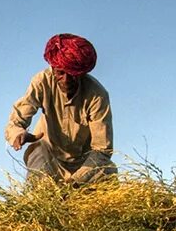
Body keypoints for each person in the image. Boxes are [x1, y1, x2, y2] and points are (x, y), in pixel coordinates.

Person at [6, 34, 116, 184]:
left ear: (81, 73)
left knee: (106, 169)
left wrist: (75, 182)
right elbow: (17, 120)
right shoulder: (42, 82)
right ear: (53, 69)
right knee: (37, 152)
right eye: (60, 73)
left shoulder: (97, 95)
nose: (66, 80)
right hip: (49, 157)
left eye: (71, 74)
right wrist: (18, 133)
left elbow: (102, 149)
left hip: (85, 164)